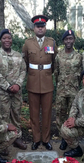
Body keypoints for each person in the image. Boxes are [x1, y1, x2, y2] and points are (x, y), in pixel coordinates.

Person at [22, 15, 58, 150]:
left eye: (42, 26)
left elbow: (55, 61)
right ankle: (36, 139)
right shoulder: (27, 43)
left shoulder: (52, 42)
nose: (40, 28)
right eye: (38, 26)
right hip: (32, 81)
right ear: (34, 28)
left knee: (48, 112)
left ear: (45, 27)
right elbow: (25, 61)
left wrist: (48, 73)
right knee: (34, 113)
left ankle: (46, 139)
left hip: (47, 81)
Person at [0, 29, 27, 150]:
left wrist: (18, 85)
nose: (7, 40)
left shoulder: (18, 55)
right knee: (3, 116)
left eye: (9, 38)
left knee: (16, 114)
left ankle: (17, 137)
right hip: (2, 92)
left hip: (16, 91)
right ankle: (4, 141)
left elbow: (23, 70)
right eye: (4, 38)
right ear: (1, 40)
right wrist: (7, 87)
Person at [55, 30, 82, 150]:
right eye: (66, 39)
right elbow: (56, 73)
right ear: (63, 41)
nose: (68, 41)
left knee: (72, 115)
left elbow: (81, 74)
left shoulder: (78, 56)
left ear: (74, 40)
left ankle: (71, 139)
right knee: (60, 115)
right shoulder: (58, 56)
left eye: (71, 38)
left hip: (73, 91)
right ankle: (63, 138)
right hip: (61, 90)